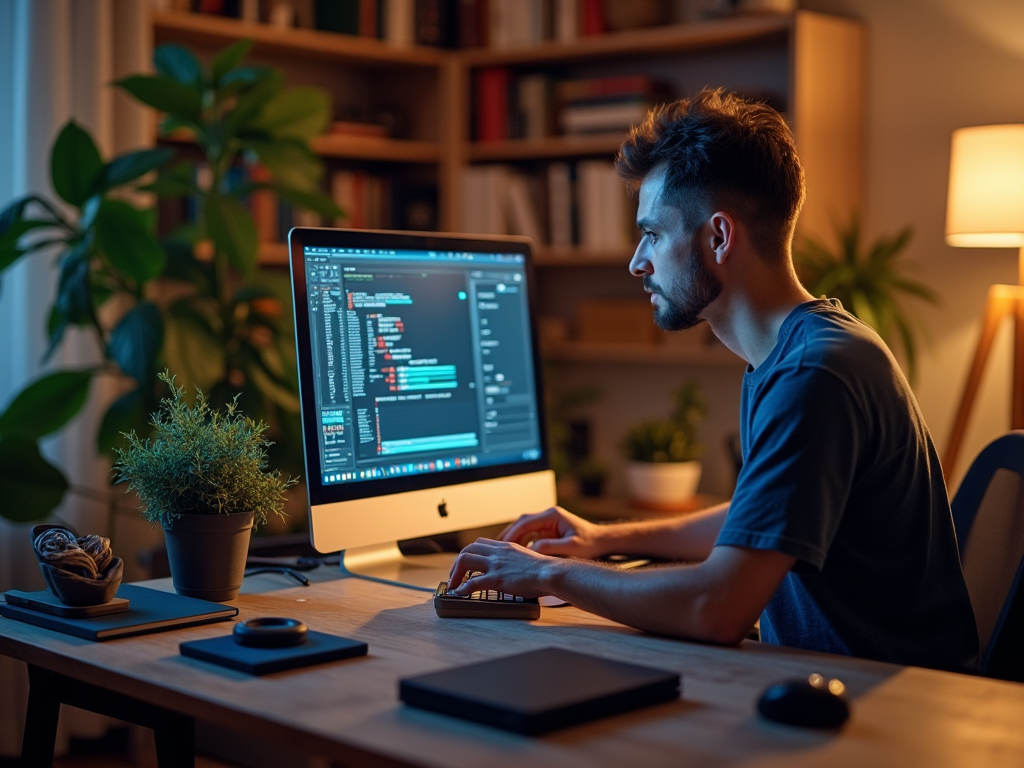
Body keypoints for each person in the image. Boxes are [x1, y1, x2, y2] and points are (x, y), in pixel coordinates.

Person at [447, 88, 979, 673]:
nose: (636, 262)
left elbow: (717, 607)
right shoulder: (801, 349)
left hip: (887, 713)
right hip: (817, 684)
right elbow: (762, 519)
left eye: (652, 234)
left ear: (719, 237)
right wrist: (603, 540)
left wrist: (547, 573)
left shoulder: (815, 372)